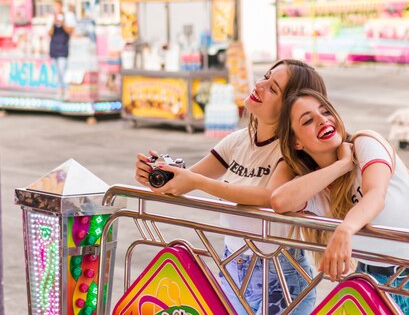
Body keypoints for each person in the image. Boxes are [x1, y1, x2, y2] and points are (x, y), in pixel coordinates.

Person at [135, 59, 326, 315]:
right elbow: (185, 181)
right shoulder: (236, 142)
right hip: (232, 269)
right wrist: (158, 174)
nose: (259, 85)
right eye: (265, 77)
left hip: (282, 277)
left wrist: (200, 183)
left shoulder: (291, 151)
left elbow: (269, 196)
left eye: (273, 89)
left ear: (291, 109)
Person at [271, 88, 409, 315]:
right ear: (297, 142)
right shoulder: (316, 184)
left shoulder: (365, 142)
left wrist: (344, 230)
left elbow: (376, 196)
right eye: (308, 120)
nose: (322, 120)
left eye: (325, 112)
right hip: (376, 284)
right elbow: (279, 201)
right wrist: (340, 166)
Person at [48, 0, 75, 97]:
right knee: (57, 70)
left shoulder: (68, 16)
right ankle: (60, 90)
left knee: (62, 69)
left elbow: (71, 31)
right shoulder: (51, 18)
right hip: (54, 46)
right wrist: (53, 22)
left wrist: (62, 23)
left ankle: (65, 89)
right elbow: (49, 33)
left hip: (63, 46)